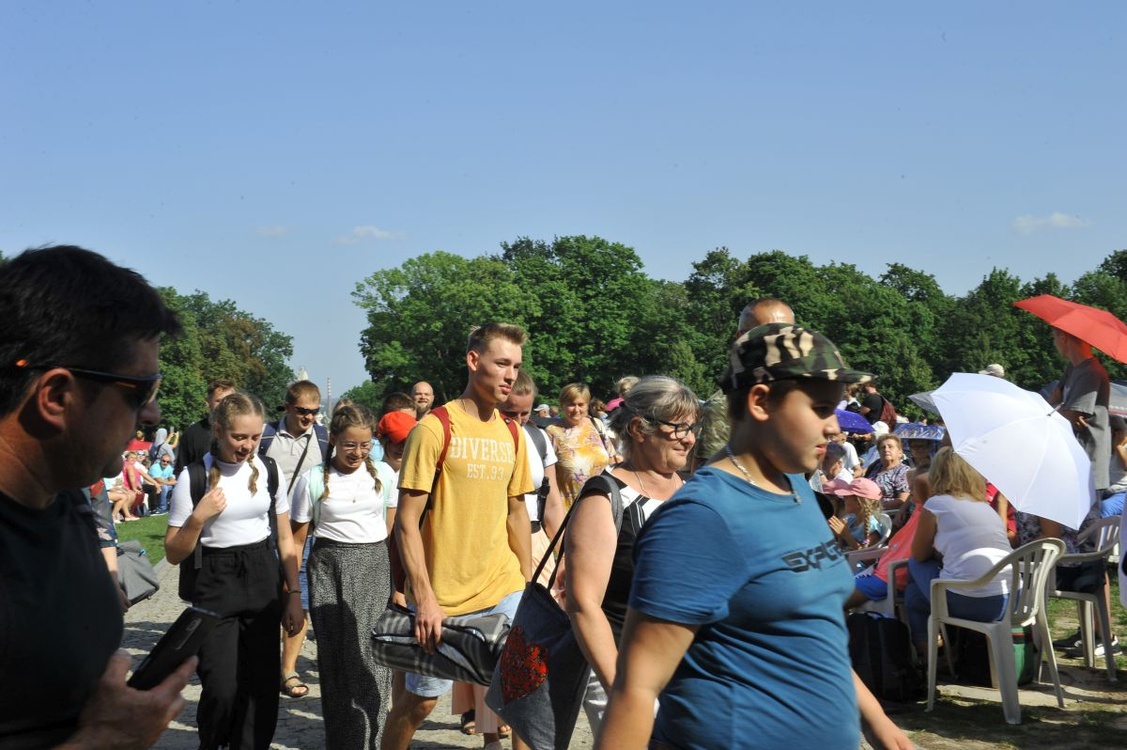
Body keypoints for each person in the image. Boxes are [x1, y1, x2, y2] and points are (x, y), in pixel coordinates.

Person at [597, 322, 911, 750]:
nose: (834, 427)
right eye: (820, 408)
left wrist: (878, 723)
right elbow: (635, 689)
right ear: (760, 401)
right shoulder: (701, 518)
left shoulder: (794, 486)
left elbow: (813, 634)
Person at [0, 244, 193, 747]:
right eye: (139, 392)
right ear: (57, 396)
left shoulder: (63, 497)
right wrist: (104, 741)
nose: (152, 415)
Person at [383, 323, 534, 750]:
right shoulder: (434, 428)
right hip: (443, 595)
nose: (510, 375)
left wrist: (528, 585)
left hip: (503, 585)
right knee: (421, 703)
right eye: (502, 363)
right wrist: (424, 597)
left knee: (524, 694)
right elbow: (406, 522)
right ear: (473, 360)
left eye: (516, 366)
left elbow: (517, 512)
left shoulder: (512, 432)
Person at [165, 392, 304, 749]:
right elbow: (173, 553)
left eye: (255, 437)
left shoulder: (268, 470)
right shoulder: (193, 477)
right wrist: (198, 518)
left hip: (261, 575)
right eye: (239, 437)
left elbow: (285, 538)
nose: (248, 446)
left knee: (261, 687)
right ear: (218, 430)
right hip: (215, 581)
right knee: (221, 687)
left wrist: (294, 594)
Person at [564, 375, 699, 735]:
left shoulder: (692, 491)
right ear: (639, 429)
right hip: (625, 665)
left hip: (686, 668)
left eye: (691, 428)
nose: (689, 438)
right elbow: (583, 604)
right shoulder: (606, 496)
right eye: (678, 428)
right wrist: (622, 690)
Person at [290, 404, 397, 749]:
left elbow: (393, 533)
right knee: (335, 658)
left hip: (373, 566)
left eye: (365, 445)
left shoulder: (384, 475)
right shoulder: (312, 479)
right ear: (334, 439)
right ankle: (342, 741)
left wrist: (400, 584)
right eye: (350, 444)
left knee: (371, 656)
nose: (358, 453)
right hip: (328, 569)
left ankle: (374, 738)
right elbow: (296, 540)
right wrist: (292, 594)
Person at [904, 447, 1014, 659]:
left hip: (973, 603)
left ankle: (929, 657)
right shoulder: (984, 507)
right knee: (914, 595)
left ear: (936, 474)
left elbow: (918, 555)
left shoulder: (936, 504)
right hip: (1011, 600)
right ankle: (939, 654)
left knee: (914, 566)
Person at [260, 379, 331, 700]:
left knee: (297, 600)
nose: (309, 417)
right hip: (265, 533)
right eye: (303, 411)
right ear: (287, 406)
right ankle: (262, 664)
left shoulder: (323, 439)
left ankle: (288, 669)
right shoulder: (265, 437)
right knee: (265, 601)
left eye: (314, 411)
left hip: (306, 533)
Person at [692, 297, 795, 471]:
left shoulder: (802, 397)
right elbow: (709, 476)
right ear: (742, 339)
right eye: (767, 335)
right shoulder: (724, 406)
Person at [546, 383, 617, 509]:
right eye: (571, 404)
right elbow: (548, 477)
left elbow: (612, 459)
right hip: (570, 508)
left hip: (603, 504)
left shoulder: (597, 424)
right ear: (562, 405)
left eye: (581, 404)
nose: (576, 409)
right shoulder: (552, 432)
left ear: (587, 405)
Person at [176, 378, 236, 474]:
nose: (224, 405)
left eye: (229, 401)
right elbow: (181, 472)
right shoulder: (191, 434)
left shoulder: (244, 434)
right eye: (219, 401)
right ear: (208, 402)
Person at [865, 433, 911, 514]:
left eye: (890, 447)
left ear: (900, 452)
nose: (886, 449)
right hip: (867, 511)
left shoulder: (903, 471)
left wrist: (875, 507)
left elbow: (902, 500)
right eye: (883, 447)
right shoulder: (875, 467)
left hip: (888, 514)